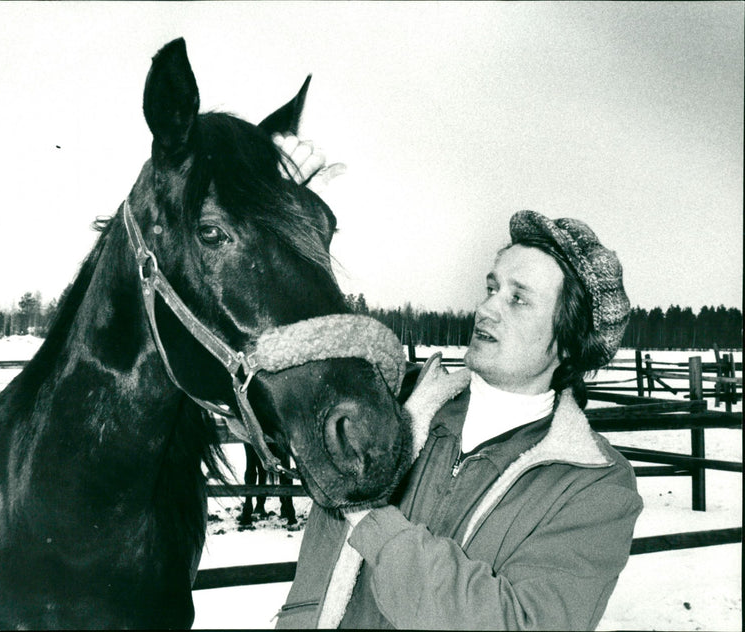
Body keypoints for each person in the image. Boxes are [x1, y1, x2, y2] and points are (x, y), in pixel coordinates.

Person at [273, 135, 642, 630]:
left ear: (569, 343)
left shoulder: (595, 486)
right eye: (492, 287)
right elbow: (279, 355)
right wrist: (275, 207)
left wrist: (374, 522)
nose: (486, 307)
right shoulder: (392, 404)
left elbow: (520, 624)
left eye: (518, 298)